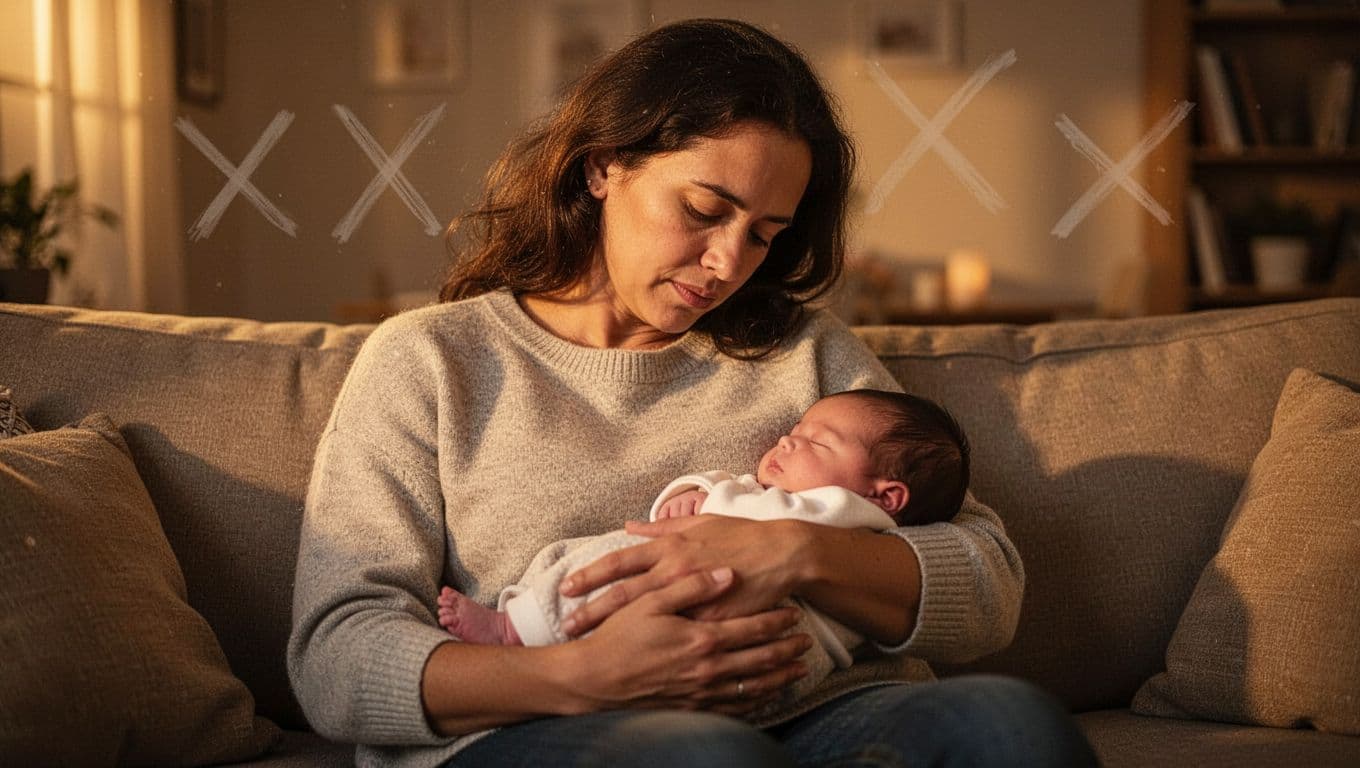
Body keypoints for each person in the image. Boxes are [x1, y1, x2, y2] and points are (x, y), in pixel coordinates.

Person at [288, 17, 1098, 768]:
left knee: (1009, 727)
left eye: (763, 235)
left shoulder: (804, 353)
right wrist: (578, 675)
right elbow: (337, 652)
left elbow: (989, 581)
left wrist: (793, 553)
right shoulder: (432, 361)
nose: (727, 264)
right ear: (605, 165)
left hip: (827, 714)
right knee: (706, 757)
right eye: (705, 210)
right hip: (546, 726)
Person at [434, 388, 970, 721]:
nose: (787, 441)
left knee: (610, 559)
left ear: (886, 496)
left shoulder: (846, 512)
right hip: (586, 694)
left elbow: (983, 569)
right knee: (588, 560)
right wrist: (689, 493)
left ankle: (515, 628)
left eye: (816, 442)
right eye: (703, 209)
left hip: (793, 664)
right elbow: (351, 635)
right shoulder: (425, 356)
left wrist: (785, 545)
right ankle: (526, 629)